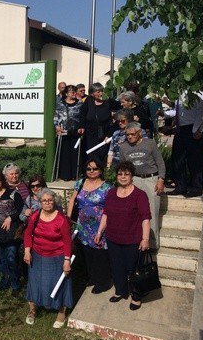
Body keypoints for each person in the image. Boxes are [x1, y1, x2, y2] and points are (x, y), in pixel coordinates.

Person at [95, 161, 151, 311]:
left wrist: (145, 239)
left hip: (132, 240)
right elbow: (106, 214)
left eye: (126, 174)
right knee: (117, 267)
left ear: (132, 176)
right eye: (120, 174)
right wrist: (100, 232)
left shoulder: (140, 195)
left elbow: (146, 218)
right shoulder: (111, 193)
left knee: (132, 269)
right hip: (113, 238)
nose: (123, 176)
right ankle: (120, 291)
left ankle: (136, 296)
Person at [23, 188, 72, 327]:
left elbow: (67, 241)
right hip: (37, 255)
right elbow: (28, 234)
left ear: (54, 201)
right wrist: (27, 251)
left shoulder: (61, 219)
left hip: (57, 256)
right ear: (40, 202)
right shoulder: (35, 216)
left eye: (50, 200)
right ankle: (32, 310)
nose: (47, 203)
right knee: (34, 282)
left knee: (59, 283)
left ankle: (61, 311)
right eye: (44, 200)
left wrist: (67, 261)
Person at [67, 159, 112, 294]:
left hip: (99, 226)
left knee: (99, 254)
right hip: (82, 226)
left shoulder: (107, 187)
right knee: (86, 253)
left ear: (101, 170)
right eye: (89, 168)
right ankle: (91, 277)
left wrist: (100, 231)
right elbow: (72, 200)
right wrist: (68, 218)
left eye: (95, 168)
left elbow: (109, 210)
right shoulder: (80, 183)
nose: (92, 171)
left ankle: (103, 282)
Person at [120, 122, 165, 249]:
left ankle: (152, 244)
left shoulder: (150, 143)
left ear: (139, 133)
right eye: (127, 134)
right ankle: (136, 240)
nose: (129, 137)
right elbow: (123, 167)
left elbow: (160, 163)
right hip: (134, 180)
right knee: (133, 212)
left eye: (132, 134)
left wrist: (161, 179)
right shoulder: (123, 147)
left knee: (152, 211)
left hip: (151, 179)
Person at [0, 170, 24, 296]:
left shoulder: (13, 194)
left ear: (2, 179)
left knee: (11, 257)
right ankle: (4, 281)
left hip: (11, 232)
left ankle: (15, 284)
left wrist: (10, 218)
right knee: (1, 260)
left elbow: (21, 210)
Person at [164, 92, 203, 198]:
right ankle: (180, 186)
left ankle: (196, 187)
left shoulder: (198, 92)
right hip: (181, 128)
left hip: (192, 128)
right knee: (178, 157)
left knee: (194, 159)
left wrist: (196, 129)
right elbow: (181, 111)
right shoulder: (180, 93)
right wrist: (166, 114)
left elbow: (202, 111)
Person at [53, 84, 85, 180]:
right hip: (63, 131)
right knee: (65, 154)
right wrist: (56, 126)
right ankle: (65, 175)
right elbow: (56, 116)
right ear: (66, 93)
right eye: (72, 92)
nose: (74, 93)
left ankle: (75, 174)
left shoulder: (80, 103)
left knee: (75, 153)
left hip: (75, 132)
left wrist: (82, 126)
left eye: (75, 91)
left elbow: (82, 116)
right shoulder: (60, 104)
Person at [79, 82, 113, 164]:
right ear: (92, 93)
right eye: (98, 92)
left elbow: (120, 107)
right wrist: (81, 126)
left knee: (102, 153)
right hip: (91, 132)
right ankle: (91, 172)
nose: (101, 93)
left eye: (102, 91)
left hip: (105, 132)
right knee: (91, 153)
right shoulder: (88, 100)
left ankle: (101, 172)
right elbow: (82, 114)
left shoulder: (108, 101)